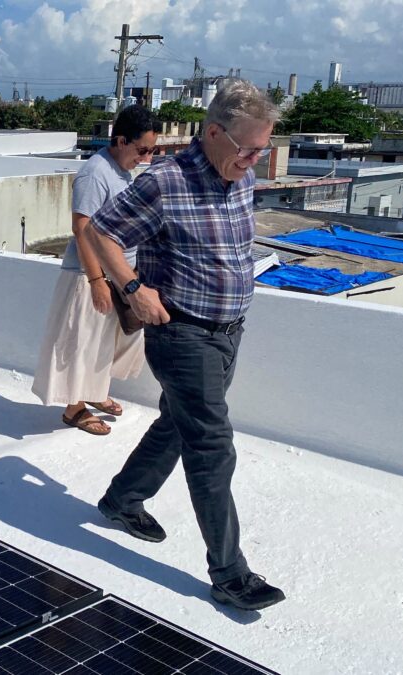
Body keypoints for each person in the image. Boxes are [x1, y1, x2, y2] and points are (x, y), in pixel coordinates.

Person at [84, 80, 286, 610]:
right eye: (248, 149)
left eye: (262, 150)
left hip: (229, 331)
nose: (254, 161)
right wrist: (132, 288)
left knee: (179, 422)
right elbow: (100, 232)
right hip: (183, 334)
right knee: (212, 448)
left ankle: (123, 499)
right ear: (214, 133)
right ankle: (230, 574)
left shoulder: (237, 176)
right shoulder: (165, 183)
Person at [32, 105, 160, 435]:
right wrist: (96, 280)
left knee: (109, 340)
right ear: (120, 140)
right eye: (142, 150)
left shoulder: (120, 171)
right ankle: (74, 408)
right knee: (81, 342)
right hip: (90, 274)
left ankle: (95, 393)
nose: (145, 158)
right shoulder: (95, 173)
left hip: (119, 273)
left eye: (151, 151)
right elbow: (82, 228)